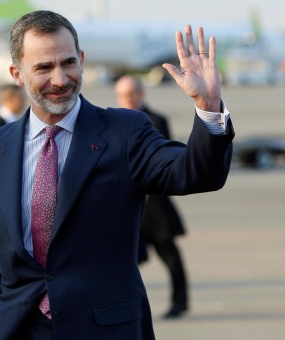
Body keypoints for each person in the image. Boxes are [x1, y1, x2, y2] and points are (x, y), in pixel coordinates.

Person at [0, 10, 234, 339]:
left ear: (82, 60)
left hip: (105, 329)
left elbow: (195, 173)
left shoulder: (125, 132)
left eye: (68, 63)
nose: (60, 79)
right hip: (16, 330)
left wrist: (209, 105)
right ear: (17, 74)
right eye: (44, 68)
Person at [115, 75, 190, 319]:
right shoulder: (113, 122)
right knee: (124, 260)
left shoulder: (157, 120)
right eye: (122, 96)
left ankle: (180, 301)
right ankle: (126, 306)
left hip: (154, 205)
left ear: (140, 94)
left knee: (169, 254)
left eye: (129, 95)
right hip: (126, 205)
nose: (125, 100)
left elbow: (163, 160)